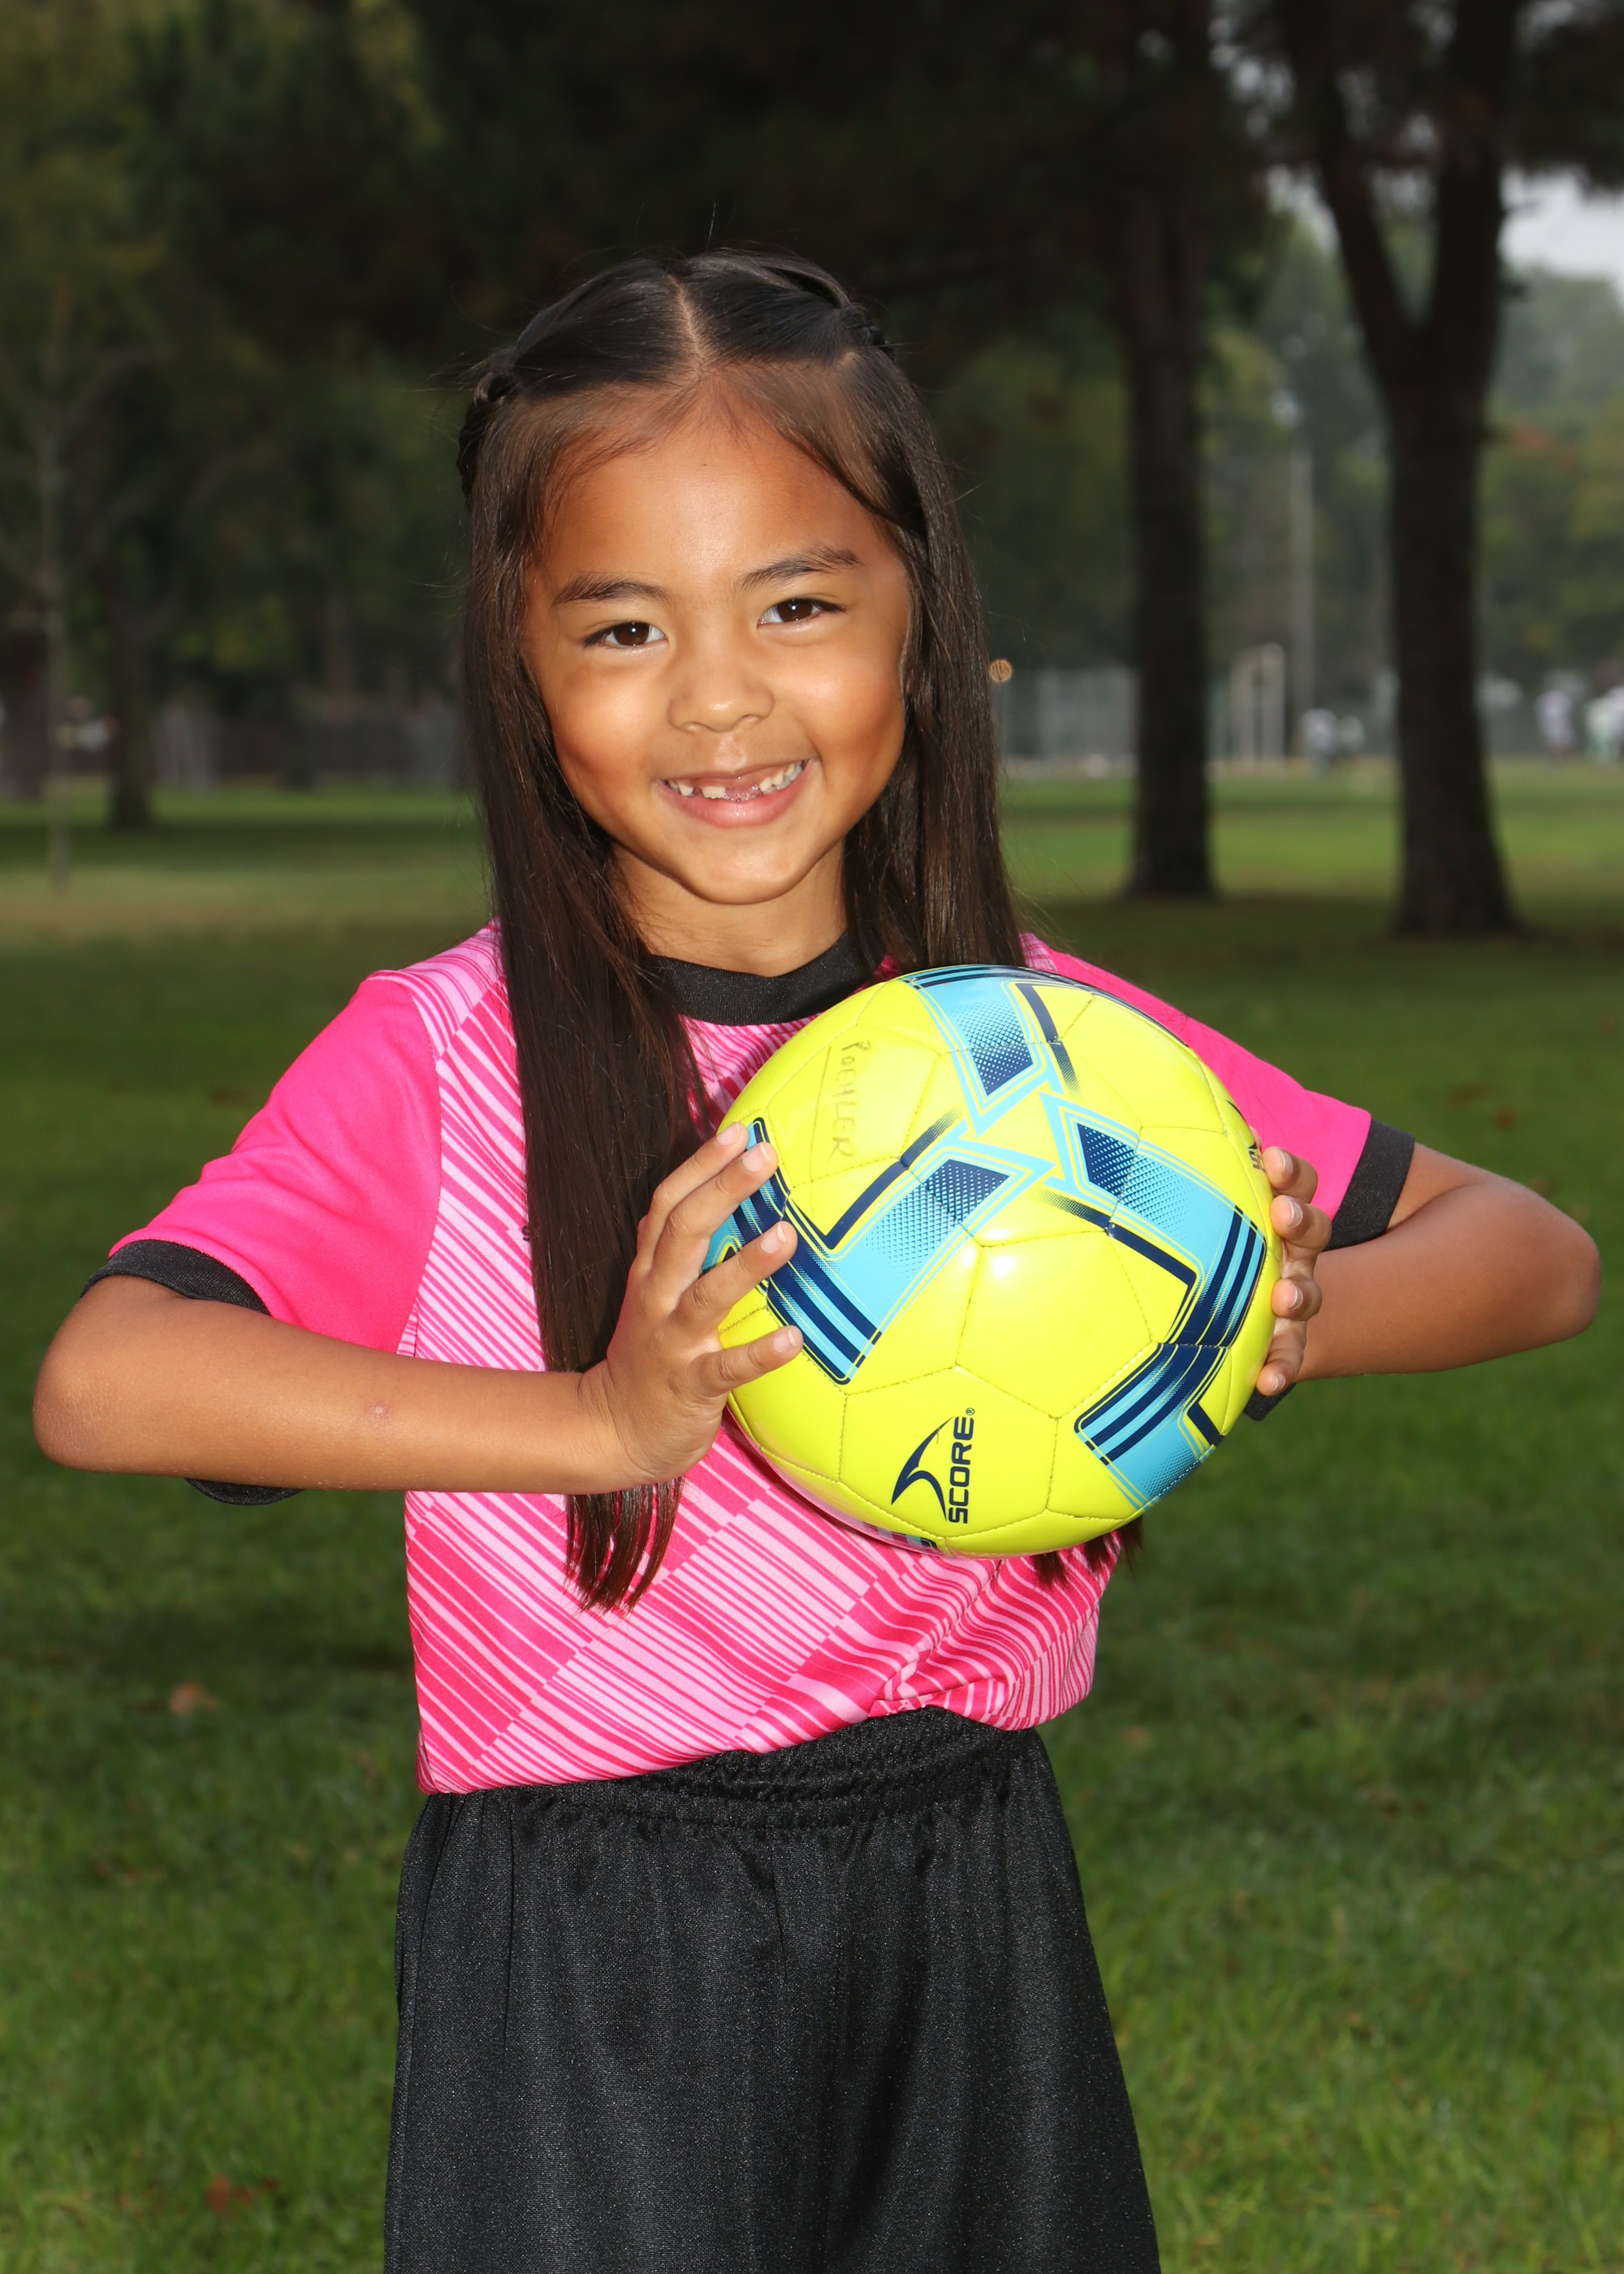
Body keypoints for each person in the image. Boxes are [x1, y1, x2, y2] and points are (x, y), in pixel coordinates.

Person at [32, 254, 1598, 2274]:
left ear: (921, 622)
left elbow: (1530, 1251)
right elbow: (110, 1377)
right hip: (595, 1942)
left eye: (795, 603)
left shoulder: (1050, 1066)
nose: (717, 696)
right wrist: (599, 1418)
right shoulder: (444, 1055)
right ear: (518, 665)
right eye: (623, 624)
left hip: (974, 1884)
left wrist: (1262, 1324)